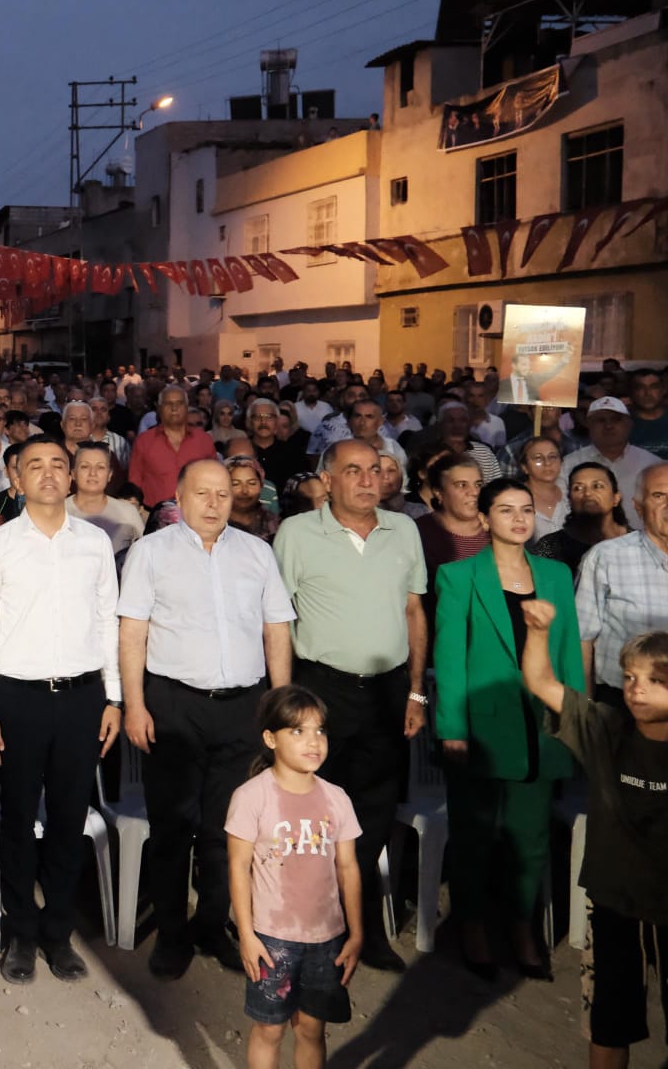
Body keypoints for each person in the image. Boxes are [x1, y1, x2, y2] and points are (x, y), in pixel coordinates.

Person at [121, 459, 295, 979]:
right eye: (204, 493)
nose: (215, 503)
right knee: (172, 827)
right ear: (179, 496)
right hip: (174, 705)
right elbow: (133, 633)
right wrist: (135, 704)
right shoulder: (151, 552)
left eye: (223, 494)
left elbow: (277, 632)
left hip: (243, 706)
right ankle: (173, 934)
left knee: (230, 829)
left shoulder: (257, 552)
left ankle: (213, 924)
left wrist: (280, 706)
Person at [271, 439, 426, 972]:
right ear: (328, 480)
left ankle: (361, 930)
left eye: (376, 471)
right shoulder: (297, 533)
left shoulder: (403, 529)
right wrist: (286, 703)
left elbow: (413, 611)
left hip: (386, 692)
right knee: (311, 811)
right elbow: (278, 617)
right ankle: (305, 925)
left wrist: (415, 690)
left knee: (373, 814)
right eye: (353, 471)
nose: (367, 480)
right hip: (321, 690)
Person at [0, 441, 119, 985]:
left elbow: (108, 620)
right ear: (17, 476)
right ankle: (21, 933)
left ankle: (57, 933)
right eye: (37, 465)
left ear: (73, 475)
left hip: (82, 697)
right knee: (17, 819)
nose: (50, 474)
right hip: (18, 698)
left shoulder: (94, 542)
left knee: (67, 818)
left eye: (60, 464)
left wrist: (114, 697)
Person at [432, 477, 584, 981]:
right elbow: (449, 657)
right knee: (475, 834)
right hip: (482, 725)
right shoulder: (459, 576)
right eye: (506, 510)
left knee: (530, 836)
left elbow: (569, 654)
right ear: (485, 517)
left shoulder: (558, 574)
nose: (519, 519)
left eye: (525, 509)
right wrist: (451, 726)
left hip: (542, 725)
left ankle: (521, 927)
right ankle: (472, 926)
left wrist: (576, 720)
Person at [516, 604, 667, 1068]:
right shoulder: (604, 725)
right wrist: (538, 631)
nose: (637, 689)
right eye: (629, 677)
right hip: (613, 898)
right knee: (608, 1021)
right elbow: (541, 682)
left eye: (656, 679)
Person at [225, 685, 364, 1069]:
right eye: (298, 731)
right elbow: (238, 866)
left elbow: (348, 867)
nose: (313, 742)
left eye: (320, 730)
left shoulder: (337, 798)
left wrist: (356, 932)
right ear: (270, 738)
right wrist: (247, 935)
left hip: (326, 939)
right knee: (270, 1030)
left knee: (311, 1030)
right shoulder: (251, 797)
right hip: (272, 939)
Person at [574, 463, 668, 707]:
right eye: (659, 496)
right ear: (638, 507)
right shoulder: (606, 557)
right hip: (622, 706)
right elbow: (582, 640)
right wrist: (586, 711)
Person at [562, 397, 663, 531]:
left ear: (629, 425)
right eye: (601, 420)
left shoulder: (652, 465)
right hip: (583, 543)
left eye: (616, 419)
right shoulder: (569, 464)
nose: (608, 426)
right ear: (589, 425)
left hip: (641, 546)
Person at [415, 454, 488, 622]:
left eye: (478, 484)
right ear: (439, 492)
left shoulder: (497, 528)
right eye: (462, 485)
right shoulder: (418, 533)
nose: (474, 492)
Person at [128, 386, 220, 508]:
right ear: (159, 409)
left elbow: (215, 478)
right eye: (168, 403)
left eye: (179, 403)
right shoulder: (144, 441)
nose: (174, 408)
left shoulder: (204, 440)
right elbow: (134, 481)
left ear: (187, 408)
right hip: (154, 515)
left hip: (197, 513)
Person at [67, 440, 142, 562]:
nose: (93, 473)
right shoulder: (60, 512)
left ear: (110, 475)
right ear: (73, 473)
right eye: (85, 466)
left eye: (100, 467)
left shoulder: (128, 512)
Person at [518, 437, 569, 538]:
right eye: (538, 458)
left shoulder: (571, 493)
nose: (547, 463)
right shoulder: (516, 498)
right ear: (524, 467)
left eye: (552, 457)